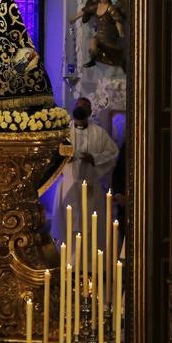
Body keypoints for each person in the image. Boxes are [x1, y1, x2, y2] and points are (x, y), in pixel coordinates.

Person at [51, 97, 119, 258]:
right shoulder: (64, 132)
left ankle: (90, 264)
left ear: (89, 112)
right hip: (68, 186)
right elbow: (53, 154)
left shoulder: (99, 133)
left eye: (84, 108)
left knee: (92, 226)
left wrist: (94, 158)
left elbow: (113, 152)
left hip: (90, 187)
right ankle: (69, 262)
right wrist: (66, 158)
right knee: (67, 226)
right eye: (78, 107)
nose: (81, 110)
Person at [71, 0, 126, 70]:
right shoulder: (97, 6)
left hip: (109, 34)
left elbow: (117, 21)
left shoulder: (111, 8)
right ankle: (93, 60)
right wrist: (74, 18)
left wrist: (121, 33)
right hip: (100, 34)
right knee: (93, 42)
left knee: (110, 51)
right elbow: (86, 10)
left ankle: (114, 58)